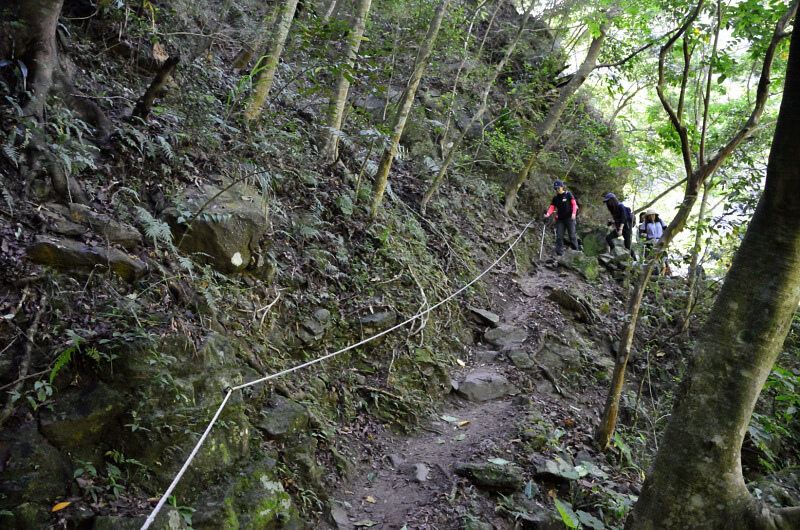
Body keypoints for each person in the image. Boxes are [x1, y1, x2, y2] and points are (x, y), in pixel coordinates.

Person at [544, 179, 579, 256]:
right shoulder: (555, 198)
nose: (557, 190)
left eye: (558, 188)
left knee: (572, 235)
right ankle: (559, 254)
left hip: (570, 218)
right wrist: (548, 214)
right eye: (556, 188)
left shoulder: (568, 194)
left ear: (562, 187)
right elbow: (552, 207)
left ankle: (576, 252)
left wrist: (574, 213)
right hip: (560, 219)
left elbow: (574, 204)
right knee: (559, 236)